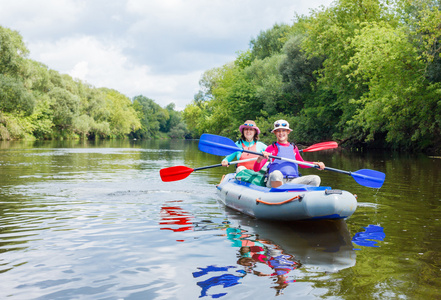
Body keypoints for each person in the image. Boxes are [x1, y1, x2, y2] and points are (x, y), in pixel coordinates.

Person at [253, 119, 325, 188]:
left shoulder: (294, 147)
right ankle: (279, 194)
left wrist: (315, 164)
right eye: (278, 131)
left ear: (288, 132)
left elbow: (302, 164)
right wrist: (260, 158)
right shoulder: (271, 148)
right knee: (276, 174)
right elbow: (256, 169)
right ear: (275, 133)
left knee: (315, 179)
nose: (281, 133)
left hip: (292, 181)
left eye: (283, 130)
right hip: (275, 180)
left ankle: (302, 196)